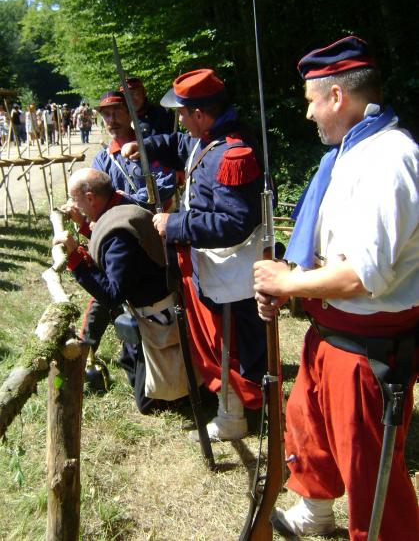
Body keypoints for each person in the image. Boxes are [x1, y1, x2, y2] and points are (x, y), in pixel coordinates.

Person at [253, 36, 419, 541]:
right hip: (330, 331)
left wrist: (291, 282)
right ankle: (315, 511)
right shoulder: (351, 153)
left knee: (371, 470)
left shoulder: (389, 159)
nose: (308, 115)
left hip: (368, 348)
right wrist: (291, 281)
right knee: (310, 425)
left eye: (310, 102)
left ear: (336, 97)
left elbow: (364, 276)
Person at [122, 69, 268, 441]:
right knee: (224, 345)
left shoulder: (234, 153)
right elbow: (178, 145)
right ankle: (234, 410)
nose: (180, 120)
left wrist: (175, 226)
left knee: (236, 349)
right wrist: (147, 145)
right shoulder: (208, 138)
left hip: (233, 274)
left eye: (184, 113)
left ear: (200, 114)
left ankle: (244, 415)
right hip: (215, 271)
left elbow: (233, 224)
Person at [56, 168, 187, 412]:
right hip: (150, 305)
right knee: (128, 358)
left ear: (91, 198)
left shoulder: (119, 235)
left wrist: (75, 258)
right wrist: (84, 226)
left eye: (75, 199)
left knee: (148, 403)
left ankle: (182, 393)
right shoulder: (117, 206)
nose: (73, 205)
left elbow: (112, 294)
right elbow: (105, 244)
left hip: (158, 317)